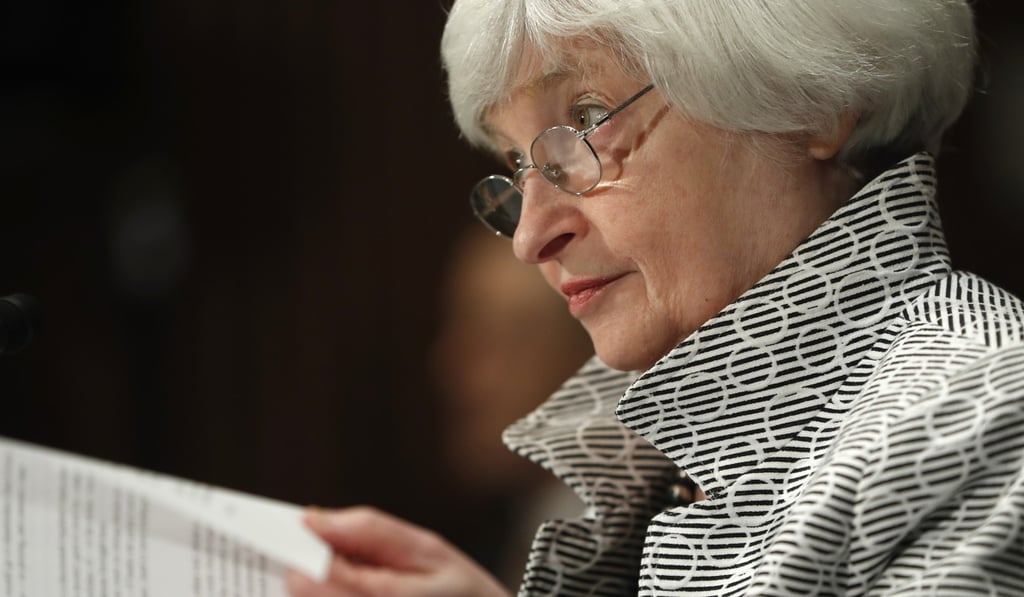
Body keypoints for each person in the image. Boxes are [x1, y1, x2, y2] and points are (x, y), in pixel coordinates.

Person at [288, 1, 1024, 595]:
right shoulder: (677, 447)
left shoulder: (981, 409)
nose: (530, 236)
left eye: (585, 120)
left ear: (815, 104)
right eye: (515, 162)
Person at [431, 226, 592, 587]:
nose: (451, 367)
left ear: (591, 358)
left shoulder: (660, 559)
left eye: (499, 338)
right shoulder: (493, 545)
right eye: (459, 326)